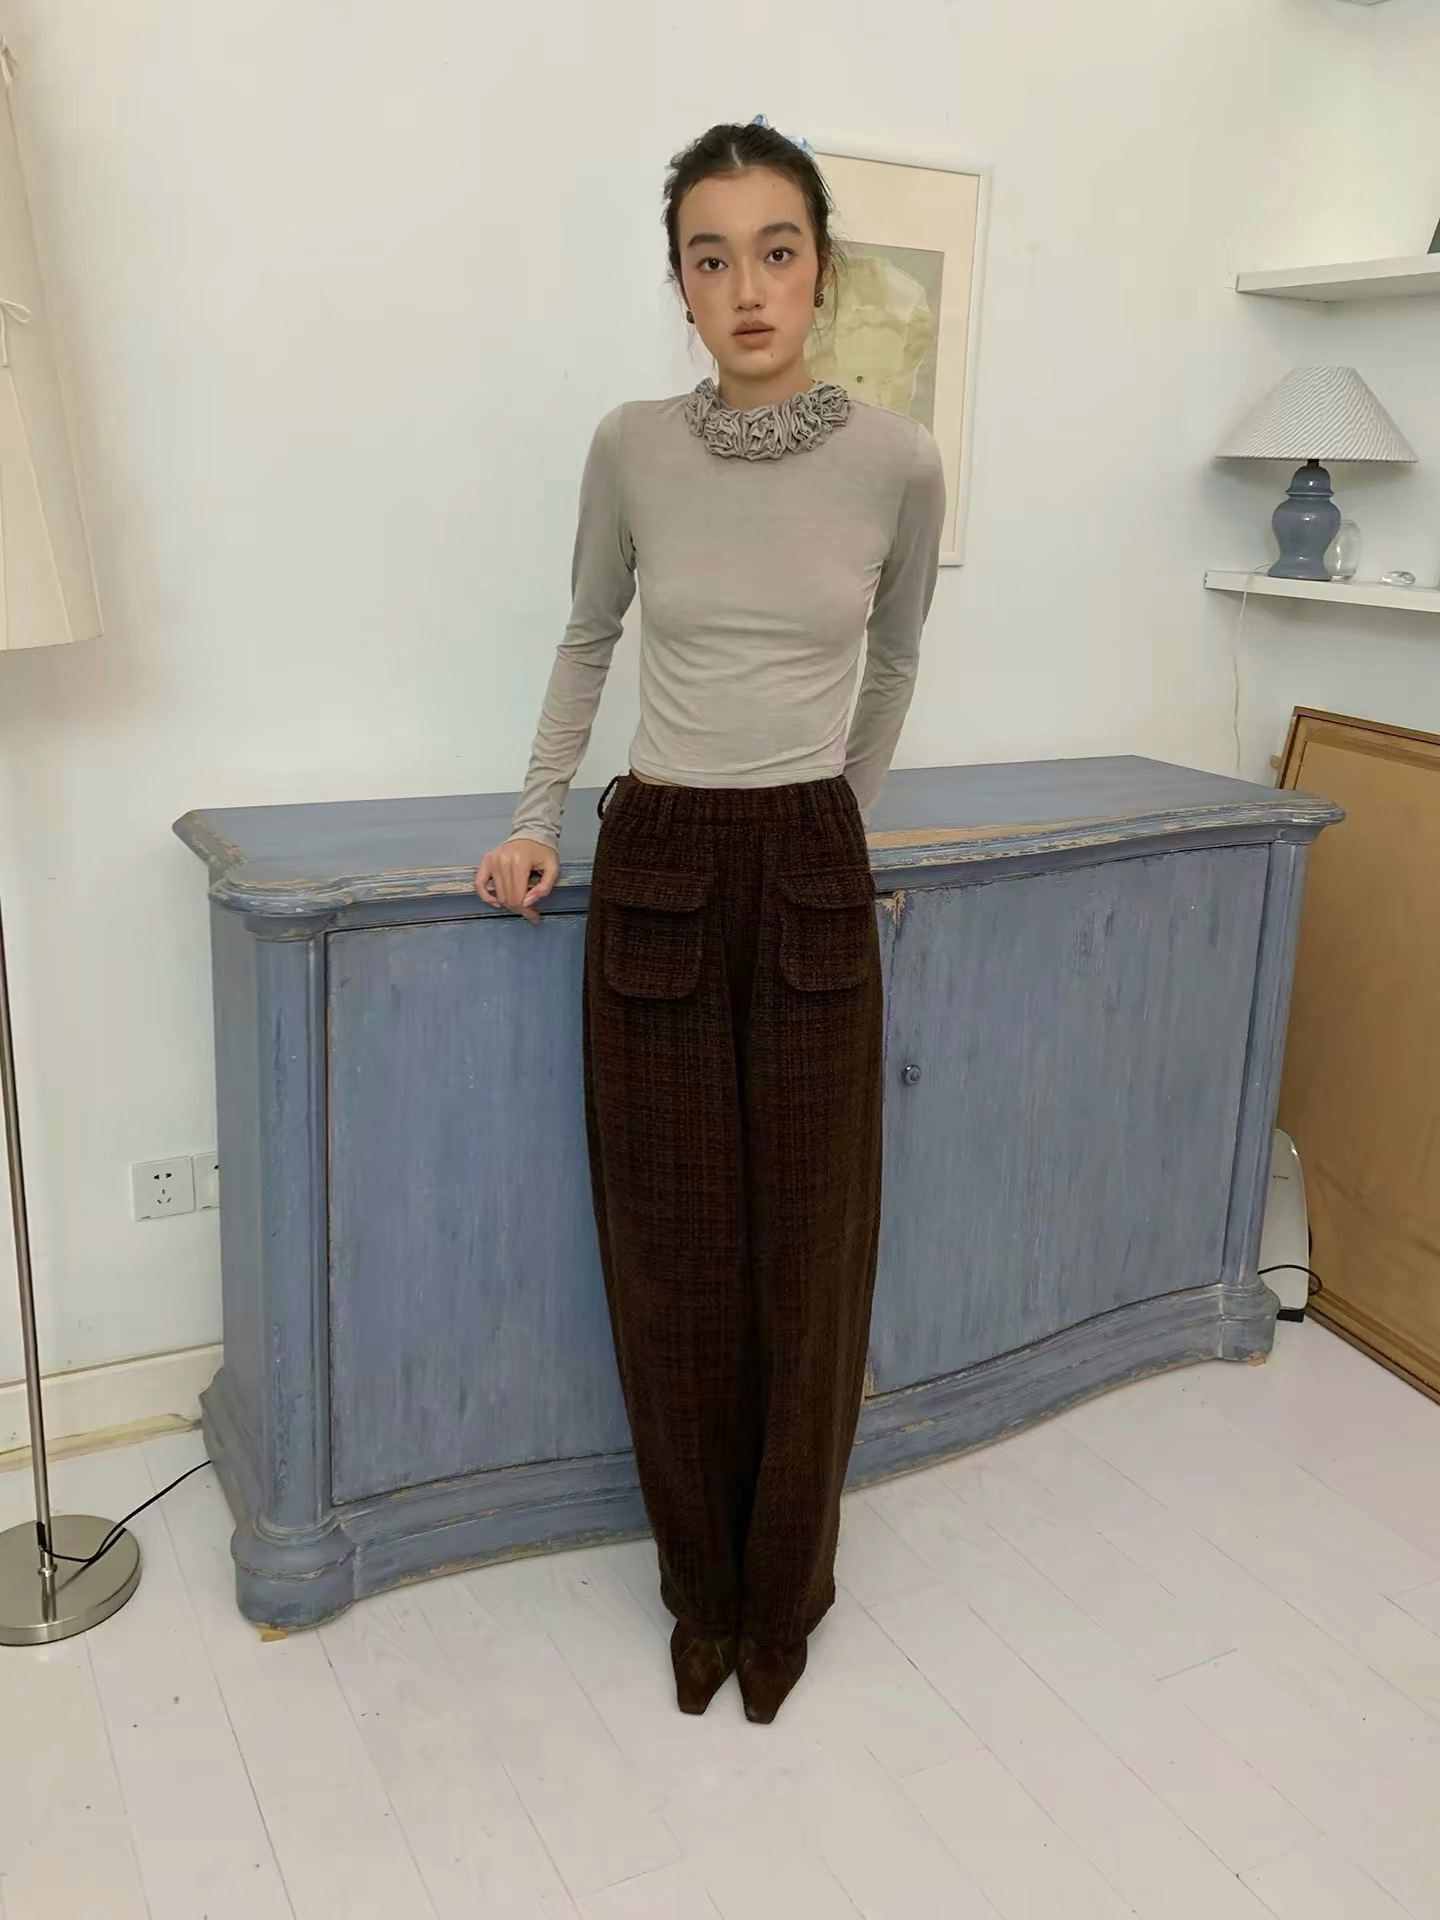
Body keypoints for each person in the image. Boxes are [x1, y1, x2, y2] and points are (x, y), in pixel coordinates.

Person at [476, 121, 944, 1723]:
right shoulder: (630, 448)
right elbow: (587, 636)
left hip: (806, 855)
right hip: (661, 857)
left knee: (810, 1256)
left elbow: (894, 659)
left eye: (777, 250)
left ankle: (785, 1592)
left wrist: (835, 816)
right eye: (711, 255)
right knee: (673, 1253)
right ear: (679, 283)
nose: (747, 286)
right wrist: (536, 819)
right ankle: (700, 1593)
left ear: (821, 269)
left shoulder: (898, 463)